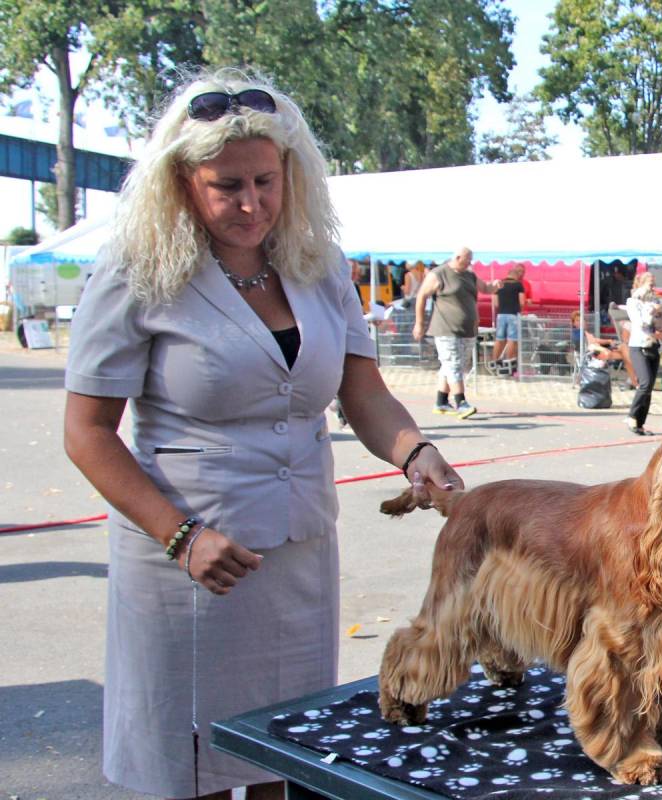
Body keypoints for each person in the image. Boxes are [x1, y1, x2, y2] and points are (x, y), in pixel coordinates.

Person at [61, 69, 461, 800]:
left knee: (285, 753)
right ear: (183, 184)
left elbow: (362, 390)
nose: (251, 204)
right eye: (227, 187)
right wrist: (180, 536)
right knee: (201, 768)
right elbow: (87, 433)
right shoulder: (134, 272)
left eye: (266, 182)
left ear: (292, 176)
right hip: (191, 559)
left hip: (297, 555)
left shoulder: (318, 265)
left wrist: (414, 450)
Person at [413, 246, 499, 418]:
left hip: (467, 330)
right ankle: (461, 402)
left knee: (454, 364)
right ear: (458, 257)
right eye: (468, 259)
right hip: (446, 328)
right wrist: (419, 323)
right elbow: (421, 296)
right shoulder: (439, 274)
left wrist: (494, 286)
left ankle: (441, 401)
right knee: (452, 363)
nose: (470, 263)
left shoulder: (470, 275)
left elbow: (485, 288)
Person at [623, 271, 662, 435]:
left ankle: (639, 423)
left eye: (654, 283)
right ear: (640, 284)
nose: (652, 286)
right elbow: (641, 323)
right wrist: (652, 311)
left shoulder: (655, 301)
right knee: (645, 383)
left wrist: (660, 315)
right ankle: (632, 416)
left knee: (649, 387)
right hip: (638, 346)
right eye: (649, 283)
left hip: (653, 344)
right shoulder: (633, 302)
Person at [570, 309, 636, 377]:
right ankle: (637, 375)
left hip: (598, 352)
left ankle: (635, 380)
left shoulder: (583, 332)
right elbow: (591, 345)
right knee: (624, 349)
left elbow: (595, 341)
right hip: (594, 355)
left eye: (582, 320)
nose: (581, 322)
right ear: (573, 323)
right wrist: (604, 347)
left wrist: (608, 341)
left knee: (624, 355)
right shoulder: (578, 333)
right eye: (578, 320)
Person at [488, 265, 526, 375]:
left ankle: (494, 362)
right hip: (513, 315)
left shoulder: (499, 284)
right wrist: (519, 309)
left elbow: (495, 303)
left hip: (501, 315)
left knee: (499, 339)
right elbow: (522, 302)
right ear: (516, 276)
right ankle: (508, 364)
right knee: (512, 340)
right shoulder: (518, 285)